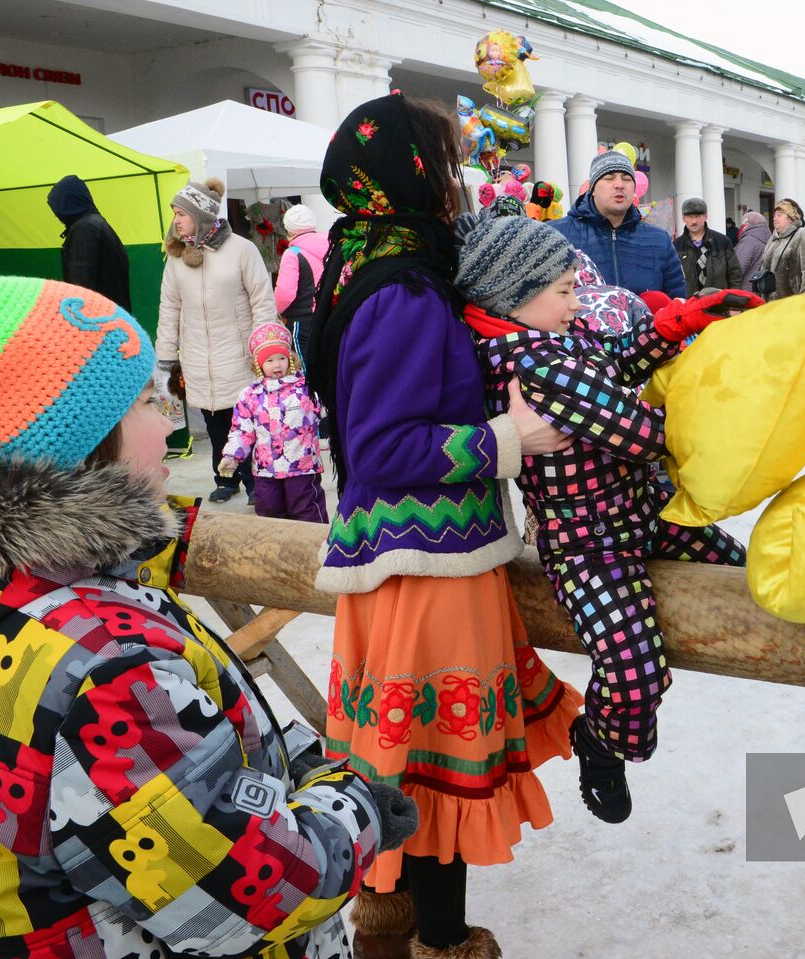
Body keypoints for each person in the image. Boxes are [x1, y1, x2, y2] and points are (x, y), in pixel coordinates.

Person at [0, 275, 417, 959]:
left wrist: (290, 760)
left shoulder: (40, 593)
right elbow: (258, 893)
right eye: (143, 403)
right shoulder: (106, 670)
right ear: (73, 448)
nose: (168, 424)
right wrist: (353, 801)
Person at [307, 92, 580, 959]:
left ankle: (389, 925)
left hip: (403, 562)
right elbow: (388, 445)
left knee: (398, 762)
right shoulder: (404, 287)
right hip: (425, 569)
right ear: (413, 174)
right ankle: (445, 941)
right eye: (445, 162)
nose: (456, 180)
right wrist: (512, 438)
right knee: (428, 771)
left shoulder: (364, 258)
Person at [455, 213, 751, 823]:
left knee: (741, 567)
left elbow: (611, 358)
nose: (576, 302)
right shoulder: (532, 365)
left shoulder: (553, 336)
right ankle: (601, 742)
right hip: (588, 546)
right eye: (564, 290)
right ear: (513, 297)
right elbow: (639, 434)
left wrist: (676, 323)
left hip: (642, 514)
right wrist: (744, 421)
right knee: (634, 667)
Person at [156, 177, 276, 504]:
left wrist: (264, 350)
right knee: (214, 423)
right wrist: (165, 355)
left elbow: (262, 300)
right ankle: (225, 478)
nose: (176, 220)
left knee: (246, 422)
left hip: (238, 355)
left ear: (202, 215)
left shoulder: (241, 249)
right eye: (174, 213)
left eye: (182, 213)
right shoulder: (177, 258)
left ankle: (255, 482)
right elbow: (169, 306)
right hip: (197, 358)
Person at [218, 321, 327, 522]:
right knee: (269, 515)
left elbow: (326, 412)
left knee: (306, 511)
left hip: (301, 467)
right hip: (266, 471)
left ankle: (314, 550)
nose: (277, 365)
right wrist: (232, 455)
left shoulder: (305, 389)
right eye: (269, 360)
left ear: (291, 360)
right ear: (259, 365)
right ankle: (275, 552)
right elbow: (242, 430)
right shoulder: (250, 395)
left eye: (281, 358)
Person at [552, 150, 684, 297]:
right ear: (593, 189)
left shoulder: (660, 241)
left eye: (627, 179)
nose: (619, 185)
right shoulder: (557, 235)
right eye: (609, 178)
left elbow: (678, 305)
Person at [45, 173, 130, 309]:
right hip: (113, 314)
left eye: (57, 208)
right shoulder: (98, 223)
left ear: (67, 203)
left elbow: (79, 287)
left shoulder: (85, 229)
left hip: (96, 319)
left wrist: (74, 317)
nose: (56, 215)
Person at [273, 203, 328, 356]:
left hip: (302, 320)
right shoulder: (332, 246)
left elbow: (285, 293)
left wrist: (275, 311)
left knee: (305, 370)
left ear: (289, 228)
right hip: (329, 315)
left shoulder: (293, 253)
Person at [675, 196, 743, 295]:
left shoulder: (722, 241)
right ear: (683, 218)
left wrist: (734, 305)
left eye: (698, 216)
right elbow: (672, 279)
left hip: (719, 305)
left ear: (706, 217)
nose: (694, 221)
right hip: (689, 306)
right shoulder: (676, 246)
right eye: (690, 217)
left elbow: (735, 274)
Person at [757, 198, 805, 300]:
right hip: (771, 305)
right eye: (774, 215)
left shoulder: (802, 235)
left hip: (793, 304)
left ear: (790, 218)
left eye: (779, 215)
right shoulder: (773, 239)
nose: (774, 218)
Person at [734, 210, 771, 290]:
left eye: (744, 223)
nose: (742, 226)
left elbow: (737, 268)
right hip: (760, 289)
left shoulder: (748, 241)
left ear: (749, 224)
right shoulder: (768, 239)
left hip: (745, 291)